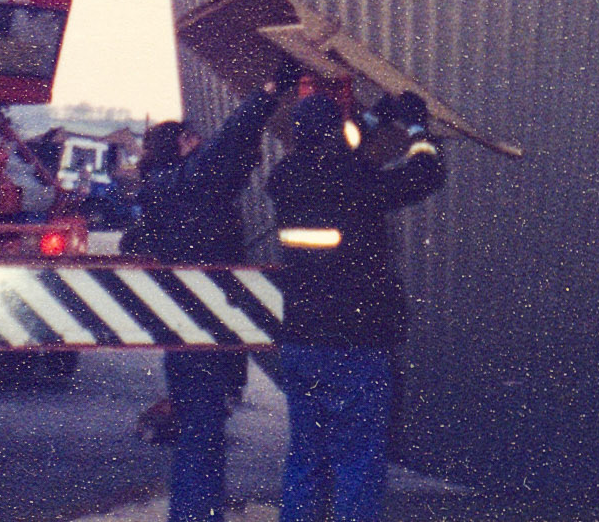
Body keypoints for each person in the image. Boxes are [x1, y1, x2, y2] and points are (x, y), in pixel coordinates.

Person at [269, 84, 446, 522]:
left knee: (306, 460)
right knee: (357, 463)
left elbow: (334, 152)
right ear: (333, 134)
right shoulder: (355, 181)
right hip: (355, 343)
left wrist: (374, 119)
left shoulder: (287, 177)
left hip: (301, 341)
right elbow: (424, 175)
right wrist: (419, 128)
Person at [134, 68, 293, 522]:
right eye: (194, 139)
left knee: (201, 430)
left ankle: (197, 514)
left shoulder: (167, 189)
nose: (201, 141)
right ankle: (196, 516)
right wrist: (266, 92)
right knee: (202, 433)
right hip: (202, 326)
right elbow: (228, 145)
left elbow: (231, 157)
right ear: (183, 144)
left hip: (191, 328)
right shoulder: (185, 183)